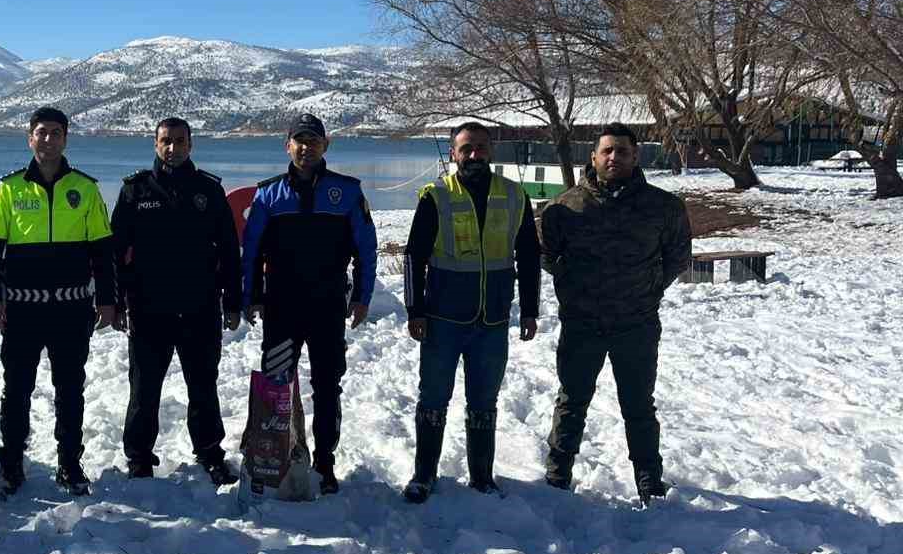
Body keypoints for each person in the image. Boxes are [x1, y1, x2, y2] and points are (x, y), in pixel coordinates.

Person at [539, 122, 693, 504]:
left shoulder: (663, 206)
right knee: (572, 400)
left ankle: (648, 479)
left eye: (622, 151)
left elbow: (678, 256)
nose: (614, 158)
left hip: (636, 325)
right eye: (606, 151)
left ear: (635, 156)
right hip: (582, 324)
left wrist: (649, 288)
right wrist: (575, 286)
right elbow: (544, 255)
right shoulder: (564, 207)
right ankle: (558, 473)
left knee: (639, 405)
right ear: (593, 157)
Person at [401, 122, 541, 503]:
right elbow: (414, 256)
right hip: (443, 320)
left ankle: (482, 476)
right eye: (466, 148)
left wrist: (530, 309)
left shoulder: (514, 195)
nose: (474, 155)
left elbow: (529, 254)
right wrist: (415, 309)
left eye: (481, 147)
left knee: (484, 401)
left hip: (492, 320)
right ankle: (423, 474)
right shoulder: (436, 195)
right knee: (433, 398)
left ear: (491, 151)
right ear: (453, 154)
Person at [0, 106, 116, 497]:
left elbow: (102, 251)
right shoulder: (10, 188)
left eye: (56, 133)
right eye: (41, 133)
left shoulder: (86, 188)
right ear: (30, 138)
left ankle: (70, 463)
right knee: (17, 387)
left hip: (72, 310)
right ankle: (11, 462)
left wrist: (107, 299)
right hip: (22, 310)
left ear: (65, 139)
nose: (49, 139)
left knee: (70, 388)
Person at [241, 113, 377, 494]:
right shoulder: (268, 194)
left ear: (325, 146)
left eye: (313, 141)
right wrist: (250, 296)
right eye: (299, 140)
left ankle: (324, 460)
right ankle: (274, 456)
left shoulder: (347, 192)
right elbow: (250, 252)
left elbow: (367, 250)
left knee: (327, 385)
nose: (306, 147)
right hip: (282, 309)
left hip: (328, 307)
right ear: (288, 146)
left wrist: (362, 298)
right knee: (276, 385)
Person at [111, 117, 242, 486]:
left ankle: (210, 452)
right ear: (155, 144)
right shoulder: (135, 190)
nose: (173, 148)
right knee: (144, 386)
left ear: (191, 145)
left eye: (180, 141)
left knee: (203, 384)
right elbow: (115, 251)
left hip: (200, 306)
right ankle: (138, 456)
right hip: (148, 307)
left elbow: (230, 250)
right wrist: (116, 302)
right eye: (166, 141)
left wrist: (232, 300)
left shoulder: (209, 190)